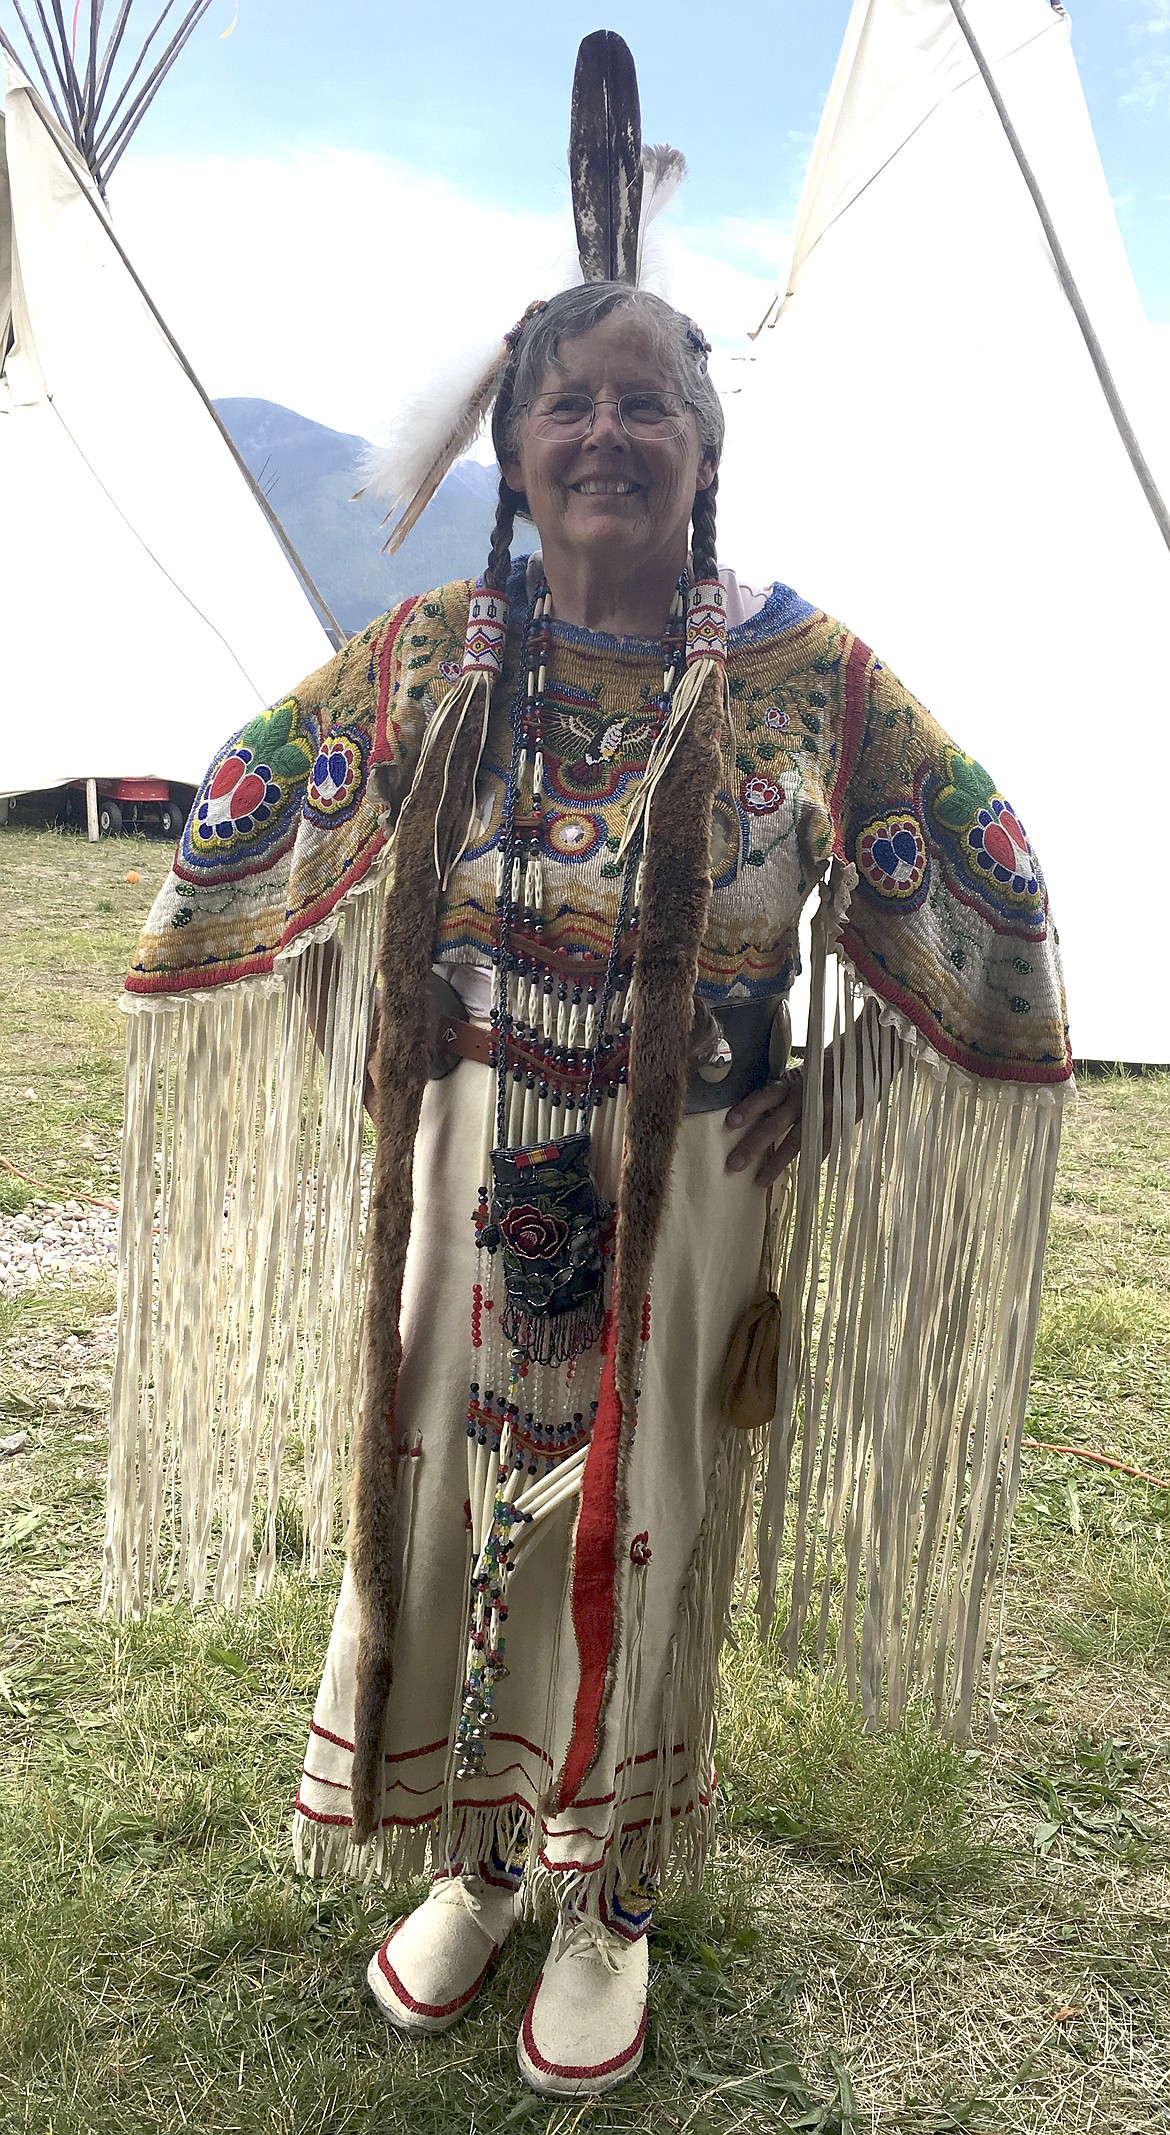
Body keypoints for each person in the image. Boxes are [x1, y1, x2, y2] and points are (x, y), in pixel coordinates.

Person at [108, 282, 1071, 2099]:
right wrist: (373, 1018)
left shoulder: (811, 681)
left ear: (706, 454)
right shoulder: (429, 658)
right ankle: (478, 1853)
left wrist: (845, 1088)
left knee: (645, 1510)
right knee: (461, 1506)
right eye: (569, 405)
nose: (606, 436)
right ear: (515, 446)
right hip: (473, 1168)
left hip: (690, 1180)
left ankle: (607, 1889)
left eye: (647, 406)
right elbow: (245, 825)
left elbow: (991, 887)